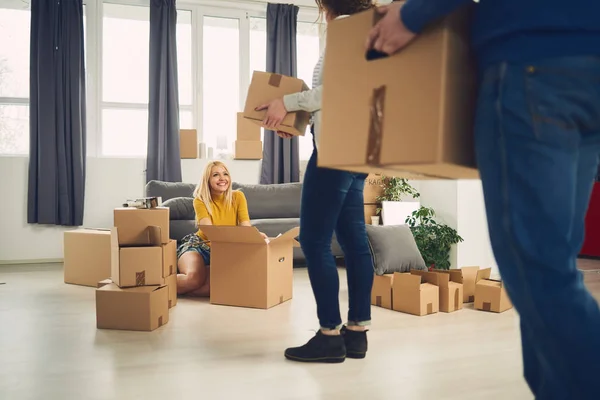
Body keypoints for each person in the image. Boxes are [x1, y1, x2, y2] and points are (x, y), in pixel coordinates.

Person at [366, 0, 600, 398]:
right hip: (586, 62)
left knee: (540, 273)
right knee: (551, 264)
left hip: (532, 63)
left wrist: (412, 14)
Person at [257, 0, 377, 364]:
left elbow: (340, 90)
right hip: (358, 150)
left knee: (313, 239)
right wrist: (299, 122)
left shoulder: (343, 27)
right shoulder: (368, 28)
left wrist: (286, 101)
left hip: (336, 152)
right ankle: (356, 334)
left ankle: (329, 336)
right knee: (355, 241)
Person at [176, 161, 267, 297]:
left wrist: (254, 236)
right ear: (208, 179)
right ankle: (152, 286)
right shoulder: (200, 200)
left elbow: (245, 227)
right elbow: (210, 232)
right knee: (193, 279)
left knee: (218, 287)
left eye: (225, 174)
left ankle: (184, 286)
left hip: (221, 249)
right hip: (198, 246)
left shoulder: (238, 197)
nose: (222, 178)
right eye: (216, 175)